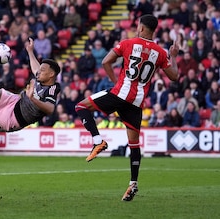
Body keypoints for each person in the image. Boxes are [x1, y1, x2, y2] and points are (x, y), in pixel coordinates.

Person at [74, 14, 179, 201]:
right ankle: (133, 184)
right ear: (153, 30)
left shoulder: (127, 43)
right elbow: (174, 76)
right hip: (137, 102)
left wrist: (115, 83)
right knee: (134, 143)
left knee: (81, 106)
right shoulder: (161, 53)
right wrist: (174, 56)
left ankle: (98, 141)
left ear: (141, 27)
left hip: (120, 93)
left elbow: (106, 62)